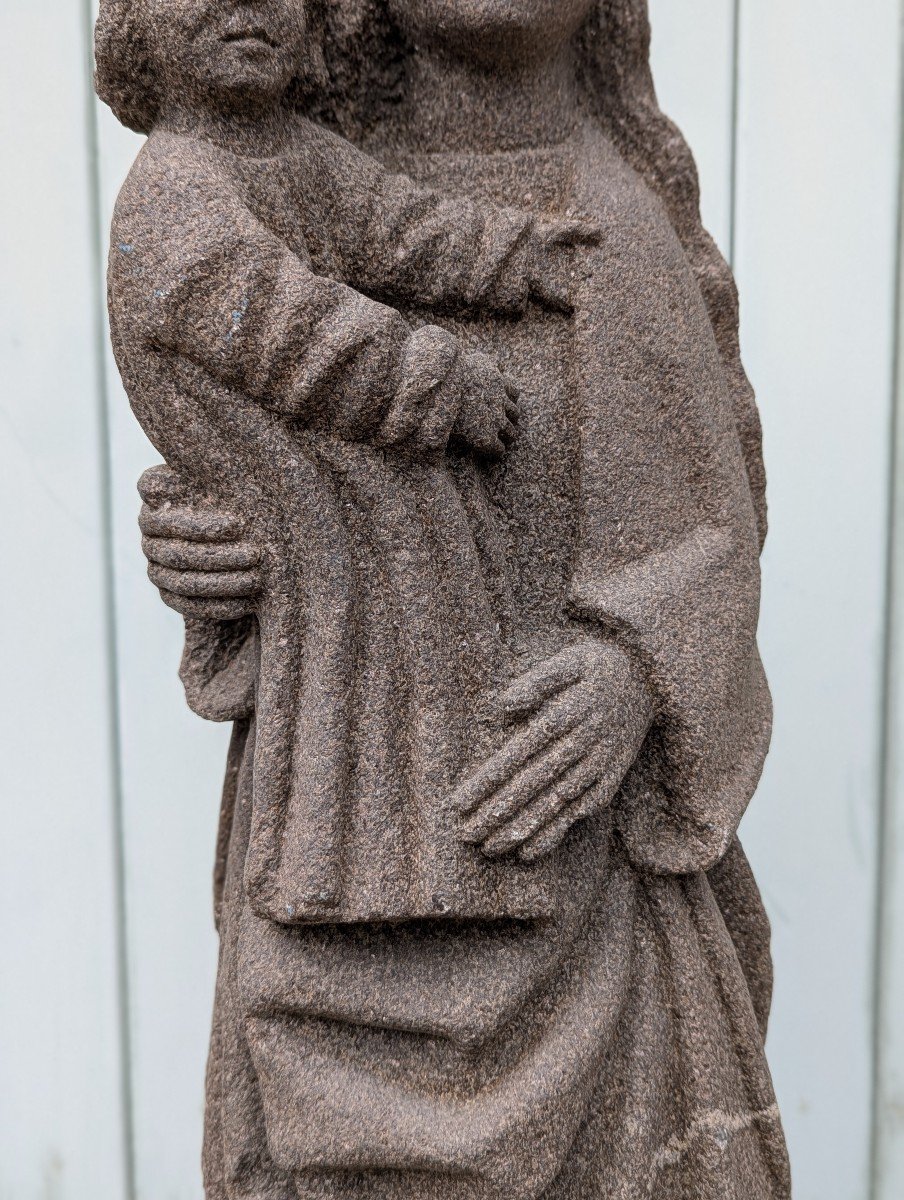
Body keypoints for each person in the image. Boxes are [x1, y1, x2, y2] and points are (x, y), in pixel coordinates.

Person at [125, 1, 792, 1196]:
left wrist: (633, 674)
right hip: (326, 842)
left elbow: (712, 525)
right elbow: (245, 421)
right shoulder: (275, 178)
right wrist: (213, 561)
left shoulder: (611, 220)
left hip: (571, 875)